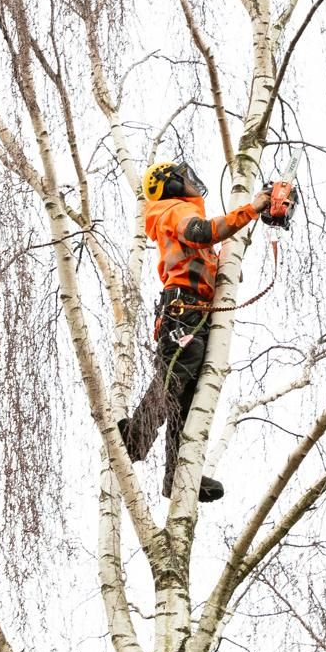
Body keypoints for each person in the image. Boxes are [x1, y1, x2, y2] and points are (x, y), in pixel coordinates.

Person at [118, 161, 270, 503]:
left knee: (187, 402)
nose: (191, 182)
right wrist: (252, 209)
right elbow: (202, 232)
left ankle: (178, 476)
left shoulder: (179, 210)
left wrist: (224, 272)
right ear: (170, 184)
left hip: (195, 309)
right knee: (177, 372)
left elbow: (199, 253)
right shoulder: (174, 210)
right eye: (183, 177)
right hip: (181, 310)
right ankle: (137, 438)